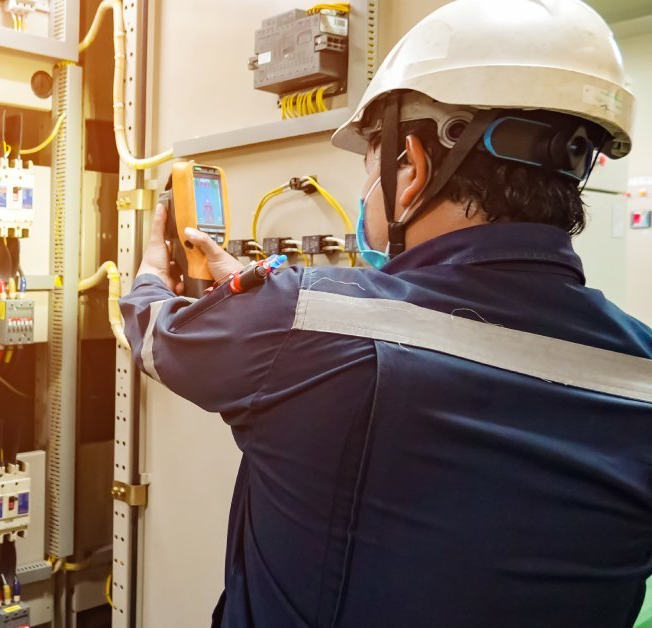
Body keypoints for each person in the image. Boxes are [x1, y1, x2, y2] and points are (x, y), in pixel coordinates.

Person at [120, 0, 652, 626]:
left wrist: (153, 269)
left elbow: (160, 337)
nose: (367, 185)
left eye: (371, 162)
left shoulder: (303, 318)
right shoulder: (640, 368)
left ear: (413, 169)